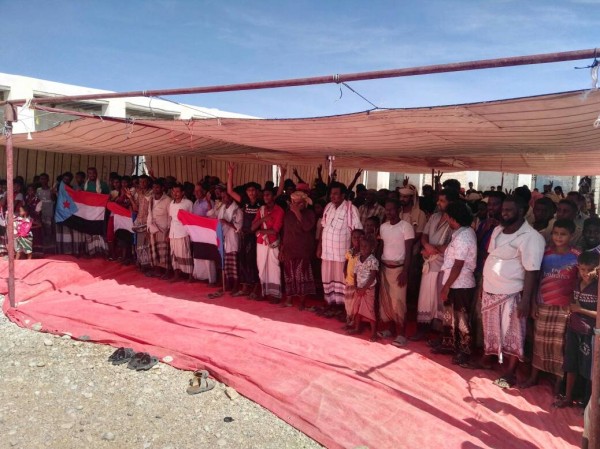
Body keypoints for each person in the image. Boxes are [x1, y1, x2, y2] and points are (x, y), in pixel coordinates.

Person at [482, 196, 545, 389]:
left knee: (513, 334)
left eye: (509, 210)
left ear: (522, 211)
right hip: (490, 289)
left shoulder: (531, 237)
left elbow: (532, 271)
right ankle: (488, 360)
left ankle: (510, 373)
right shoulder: (497, 230)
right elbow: (492, 256)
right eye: (503, 209)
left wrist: (526, 301)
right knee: (492, 330)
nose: (504, 213)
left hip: (512, 292)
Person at [521, 219, 580, 390]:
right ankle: (534, 377)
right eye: (555, 233)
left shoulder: (577, 256)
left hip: (564, 307)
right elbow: (536, 278)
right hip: (543, 304)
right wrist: (533, 303)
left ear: (571, 236)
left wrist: (575, 305)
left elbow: (579, 282)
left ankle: (558, 382)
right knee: (539, 342)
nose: (558, 237)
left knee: (560, 346)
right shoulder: (544, 254)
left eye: (563, 234)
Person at [553, 251, 599, 409]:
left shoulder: (597, 287)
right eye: (583, 269)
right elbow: (572, 303)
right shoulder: (576, 283)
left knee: (589, 370)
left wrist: (580, 310)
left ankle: (588, 405)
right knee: (571, 364)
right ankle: (567, 398)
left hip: (590, 333)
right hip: (574, 328)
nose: (586, 273)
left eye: (590, 270)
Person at [434, 202, 477, 366]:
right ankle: (449, 344)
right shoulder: (461, 233)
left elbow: (458, 265)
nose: (446, 219)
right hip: (454, 282)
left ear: (453, 218)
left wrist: (446, 287)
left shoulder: (464, 236)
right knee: (450, 316)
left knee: (462, 319)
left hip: (460, 284)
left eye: (447, 216)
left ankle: (465, 351)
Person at [412, 189, 458, 341]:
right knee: (425, 297)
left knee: (440, 300)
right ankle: (423, 329)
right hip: (429, 262)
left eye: (442, 201)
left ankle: (441, 334)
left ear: (451, 202)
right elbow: (424, 235)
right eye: (438, 200)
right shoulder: (434, 216)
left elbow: (453, 245)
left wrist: (433, 249)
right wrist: (426, 246)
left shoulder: (455, 220)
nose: (438, 203)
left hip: (443, 266)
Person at [318, 182, 362, 315]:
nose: (332, 196)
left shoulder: (351, 209)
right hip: (327, 253)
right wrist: (319, 246)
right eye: (331, 194)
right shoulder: (328, 207)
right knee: (327, 278)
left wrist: (353, 255)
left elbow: (357, 232)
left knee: (343, 281)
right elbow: (323, 227)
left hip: (343, 255)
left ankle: (344, 308)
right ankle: (330, 304)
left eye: (336, 194)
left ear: (343, 195)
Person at [377, 198, 415, 347]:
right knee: (386, 301)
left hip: (399, 269)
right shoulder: (383, 227)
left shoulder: (406, 227)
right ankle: (390, 329)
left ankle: (401, 334)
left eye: (392, 209)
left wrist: (405, 271)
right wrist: (378, 268)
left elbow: (409, 252)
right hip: (384, 268)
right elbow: (381, 248)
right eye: (387, 209)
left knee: (399, 302)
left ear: (399, 210)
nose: (388, 212)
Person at [227, 163, 262, 297]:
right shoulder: (244, 202)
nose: (251, 192)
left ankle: (255, 288)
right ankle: (245, 287)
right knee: (244, 261)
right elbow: (230, 192)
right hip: (245, 235)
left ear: (257, 191)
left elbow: (276, 195)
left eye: (253, 190)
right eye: (249, 190)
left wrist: (281, 178)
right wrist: (231, 173)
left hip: (256, 236)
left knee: (253, 262)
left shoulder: (261, 203)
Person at [279, 191, 317, 309]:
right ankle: (289, 300)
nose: (295, 205)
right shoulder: (287, 214)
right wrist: (282, 249)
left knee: (302, 276)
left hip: (303, 250)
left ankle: (302, 302)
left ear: (304, 203)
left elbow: (307, 227)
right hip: (289, 249)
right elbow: (285, 232)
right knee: (289, 276)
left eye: (298, 203)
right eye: (294, 202)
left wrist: (297, 212)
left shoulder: (309, 213)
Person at [207, 190, 243, 298]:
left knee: (234, 265)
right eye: (222, 197)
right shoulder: (222, 208)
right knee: (226, 264)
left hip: (233, 239)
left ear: (231, 197)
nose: (223, 199)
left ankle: (236, 285)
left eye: (225, 197)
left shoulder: (237, 210)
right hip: (224, 239)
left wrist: (226, 222)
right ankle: (227, 284)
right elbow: (214, 216)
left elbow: (238, 227)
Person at [251, 188, 284, 301]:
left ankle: (275, 294)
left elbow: (275, 231)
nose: (265, 197)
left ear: (274, 196)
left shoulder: (279, 211)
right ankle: (263, 292)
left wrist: (260, 231)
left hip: (272, 243)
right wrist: (263, 219)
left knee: (274, 268)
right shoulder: (261, 210)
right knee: (261, 268)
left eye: (268, 195)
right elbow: (252, 227)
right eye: (264, 195)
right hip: (261, 243)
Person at [347, 235, 379, 341]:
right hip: (359, 289)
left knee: (370, 310)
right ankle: (357, 328)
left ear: (372, 248)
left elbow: (372, 277)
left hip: (368, 290)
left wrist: (364, 289)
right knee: (357, 309)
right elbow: (355, 273)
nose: (363, 248)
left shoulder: (373, 260)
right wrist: (356, 286)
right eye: (362, 246)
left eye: (366, 246)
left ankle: (373, 333)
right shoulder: (358, 258)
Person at [191, 182, 217, 284]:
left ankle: (211, 279)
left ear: (204, 191)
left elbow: (212, 217)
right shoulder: (195, 203)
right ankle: (201, 277)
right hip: (197, 234)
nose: (196, 193)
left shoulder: (209, 202)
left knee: (208, 258)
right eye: (195, 191)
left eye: (199, 191)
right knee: (198, 255)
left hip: (207, 234)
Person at [167, 183, 193, 282]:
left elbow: (191, 219)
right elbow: (170, 218)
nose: (175, 193)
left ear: (183, 193)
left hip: (183, 232)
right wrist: (168, 233)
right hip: (173, 233)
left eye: (177, 191)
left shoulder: (188, 203)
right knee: (174, 254)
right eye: (173, 191)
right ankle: (176, 275)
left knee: (185, 253)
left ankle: (190, 275)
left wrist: (191, 234)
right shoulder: (171, 203)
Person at [83, 167, 109, 257]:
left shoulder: (103, 185)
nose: (92, 175)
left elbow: (107, 197)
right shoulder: (85, 185)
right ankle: (91, 251)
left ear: (96, 174)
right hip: (88, 213)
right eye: (90, 173)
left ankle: (101, 250)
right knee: (89, 231)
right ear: (87, 174)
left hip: (99, 213)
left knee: (99, 231)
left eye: (93, 173)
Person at [148, 180, 172, 278]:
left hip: (163, 230)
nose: (155, 189)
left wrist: (169, 231)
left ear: (162, 188)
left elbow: (170, 217)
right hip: (152, 229)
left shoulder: (168, 200)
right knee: (155, 251)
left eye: (157, 187)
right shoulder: (151, 199)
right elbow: (149, 214)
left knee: (164, 252)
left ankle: (167, 272)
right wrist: (148, 228)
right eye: (154, 187)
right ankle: (157, 270)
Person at [131, 175, 152, 273]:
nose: (142, 184)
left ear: (148, 182)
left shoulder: (152, 193)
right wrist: (130, 198)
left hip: (148, 222)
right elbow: (136, 208)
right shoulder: (138, 193)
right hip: (140, 222)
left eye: (144, 181)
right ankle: (142, 264)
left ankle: (149, 266)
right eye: (140, 182)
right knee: (140, 245)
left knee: (148, 245)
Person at [343, 229, 364, 327]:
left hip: (357, 284)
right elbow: (346, 261)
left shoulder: (363, 253)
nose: (356, 239)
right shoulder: (350, 251)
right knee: (348, 302)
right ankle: (349, 318)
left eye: (359, 237)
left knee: (355, 304)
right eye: (354, 237)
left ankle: (354, 322)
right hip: (349, 281)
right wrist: (344, 270)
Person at [36, 173, 55, 254]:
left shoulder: (51, 189)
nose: (43, 180)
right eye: (41, 179)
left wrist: (52, 192)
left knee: (49, 230)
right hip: (40, 213)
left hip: (49, 213)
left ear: (48, 180)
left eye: (44, 179)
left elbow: (54, 199)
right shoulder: (38, 190)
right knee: (41, 231)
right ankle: (43, 247)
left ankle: (49, 248)